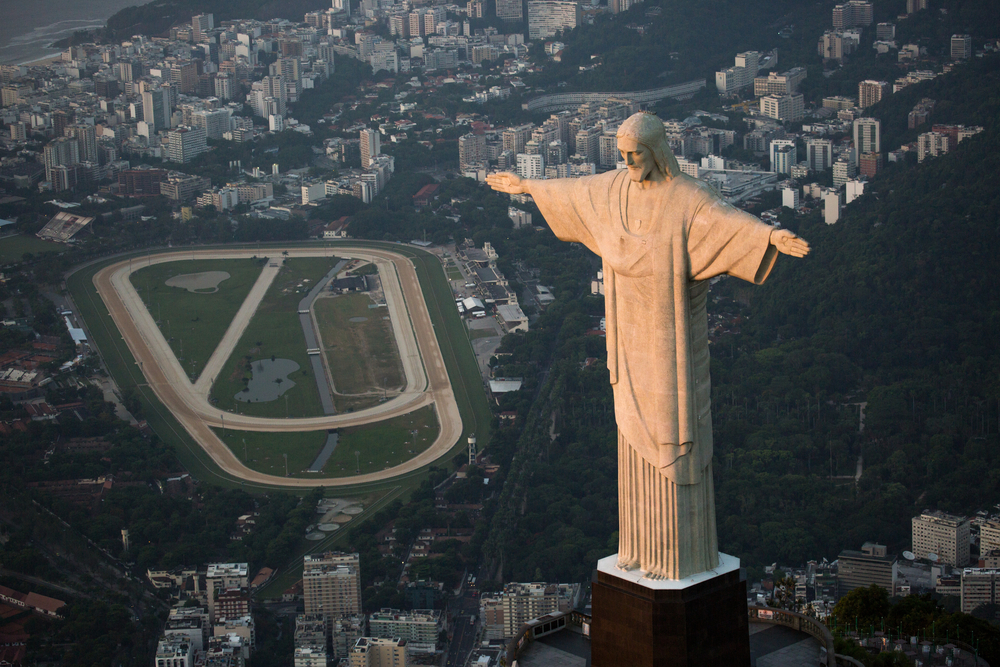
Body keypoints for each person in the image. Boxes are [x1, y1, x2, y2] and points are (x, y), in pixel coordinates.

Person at [486, 112, 809, 580]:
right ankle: (639, 549)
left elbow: (726, 221)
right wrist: (526, 187)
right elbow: (575, 191)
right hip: (629, 331)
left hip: (671, 339)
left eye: (635, 153)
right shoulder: (615, 190)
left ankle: (680, 555)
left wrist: (771, 235)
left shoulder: (687, 198)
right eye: (622, 154)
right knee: (632, 437)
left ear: (657, 150)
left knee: (673, 434)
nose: (628, 161)